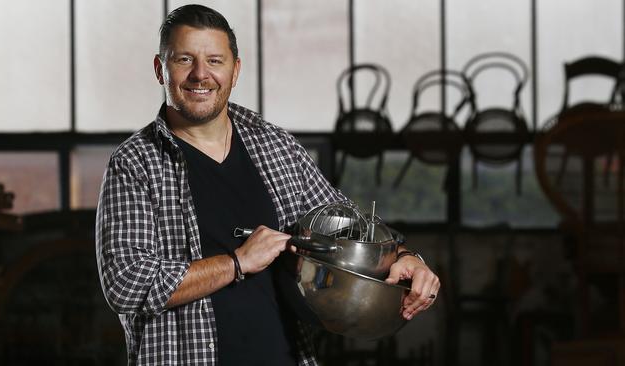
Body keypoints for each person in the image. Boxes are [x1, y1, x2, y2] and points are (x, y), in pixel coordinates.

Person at [95, 4, 440, 366]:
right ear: (159, 69)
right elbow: (126, 284)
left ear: (235, 69)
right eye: (184, 60)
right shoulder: (134, 163)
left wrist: (404, 258)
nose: (201, 74)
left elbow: (347, 229)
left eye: (215, 60)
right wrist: (237, 262)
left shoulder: (275, 145)